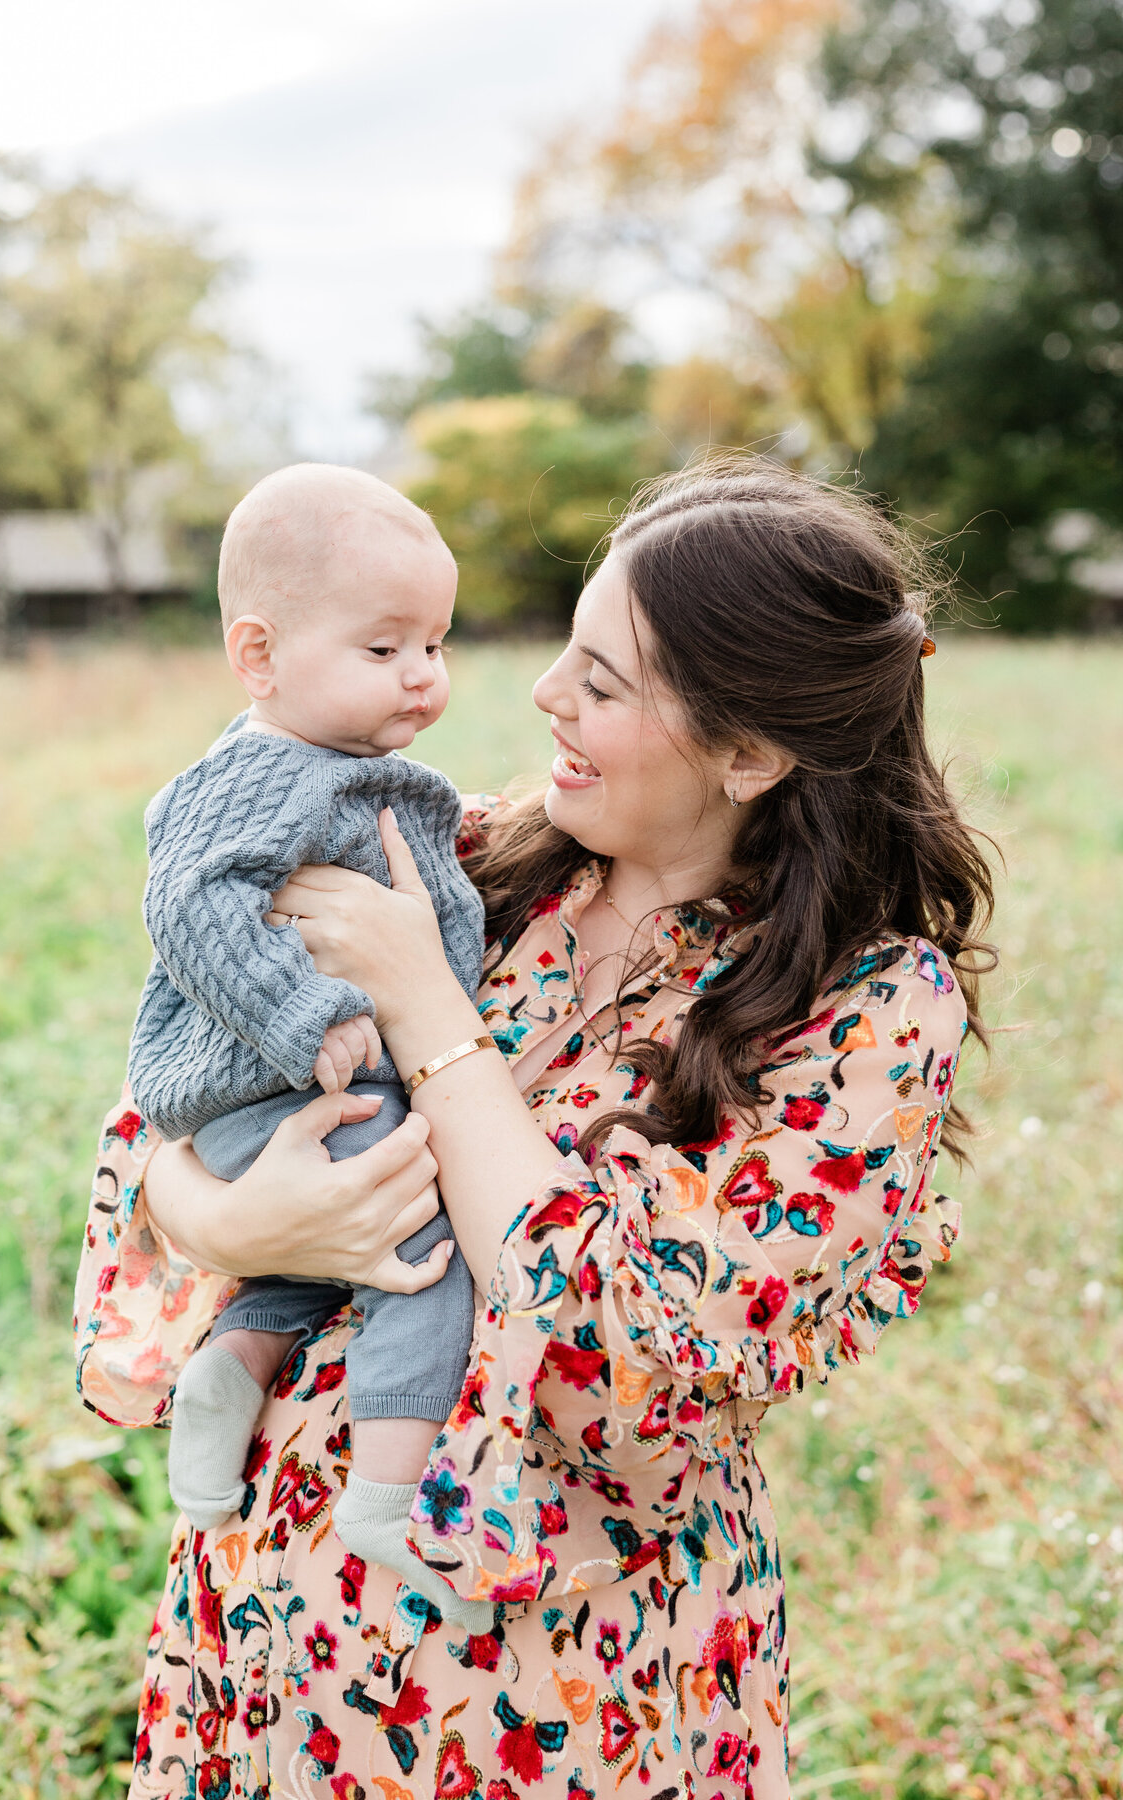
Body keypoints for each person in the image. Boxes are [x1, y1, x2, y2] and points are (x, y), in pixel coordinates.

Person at [75, 457, 991, 1799]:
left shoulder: (864, 1013)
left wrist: (428, 1009)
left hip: (539, 1698)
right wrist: (235, 1221)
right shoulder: (465, 853)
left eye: (604, 684)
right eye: (567, 652)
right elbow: (166, 1105)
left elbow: (622, 1348)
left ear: (747, 753)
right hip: (262, 1645)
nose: (546, 697)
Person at [125, 463, 490, 1626]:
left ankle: (225, 1377)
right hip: (277, 1083)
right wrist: (306, 1014)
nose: (423, 676)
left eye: (435, 642)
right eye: (384, 650)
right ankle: (388, 1491)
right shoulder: (264, 770)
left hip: (283, 1099)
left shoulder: (327, 764)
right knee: (427, 1243)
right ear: (260, 654)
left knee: (298, 1269)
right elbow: (187, 905)